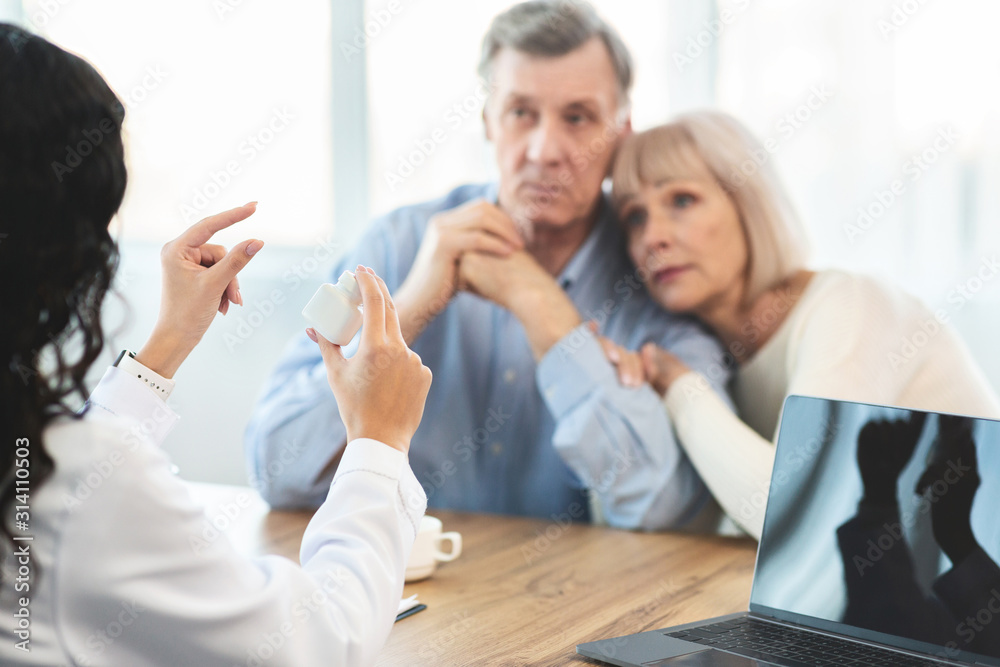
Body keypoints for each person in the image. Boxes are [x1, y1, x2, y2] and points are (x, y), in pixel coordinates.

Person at [0, 24, 431, 666]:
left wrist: (167, 344)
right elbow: (321, 643)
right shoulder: (77, 479)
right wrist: (379, 443)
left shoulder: (48, 468)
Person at [246, 1, 729, 531]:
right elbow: (276, 469)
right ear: (488, 124)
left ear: (621, 134)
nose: (545, 150)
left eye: (578, 117)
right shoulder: (396, 246)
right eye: (522, 113)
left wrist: (541, 306)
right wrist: (405, 310)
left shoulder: (659, 273)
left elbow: (670, 517)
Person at [598, 110, 1000, 539]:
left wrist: (678, 389)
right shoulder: (711, 352)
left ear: (750, 205)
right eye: (634, 217)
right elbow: (678, 526)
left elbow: (803, 517)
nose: (652, 237)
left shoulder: (848, 306)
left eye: (681, 200)